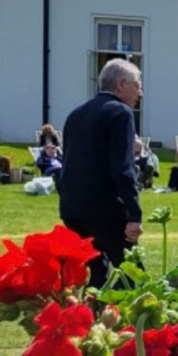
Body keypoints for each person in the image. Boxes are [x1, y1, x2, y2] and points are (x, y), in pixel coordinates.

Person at [60, 59, 143, 287]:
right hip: (105, 208)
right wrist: (134, 214)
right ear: (121, 85)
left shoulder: (75, 114)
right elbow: (122, 169)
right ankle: (132, 322)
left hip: (73, 209)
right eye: (137, 84)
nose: (140, 92)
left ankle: (93, 318)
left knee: (96, 275)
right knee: (132, 276)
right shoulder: (121, 113)